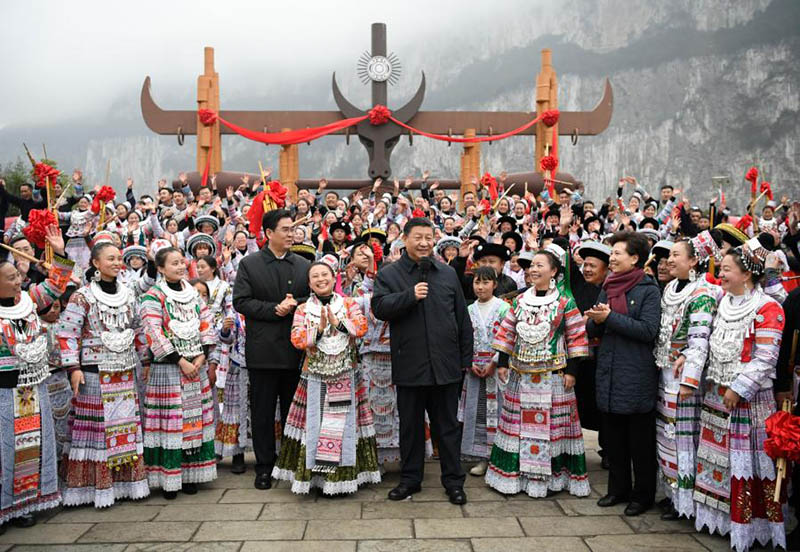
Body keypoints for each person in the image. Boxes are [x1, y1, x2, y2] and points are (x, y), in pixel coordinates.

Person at [372, 217, 472, 505]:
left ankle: (454, 482)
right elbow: (380, 308)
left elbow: (462, 319)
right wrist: (409, 296)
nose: (425, 242)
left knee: (448, 428)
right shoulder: (390, 274)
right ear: (405, 239)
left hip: (446, 365)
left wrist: (464, 359)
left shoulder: (447, 273)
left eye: (429, 237)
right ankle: (410, 480)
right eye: (419, 237)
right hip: (410, 364)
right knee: (411, 428)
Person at [693, 245, 786, 551]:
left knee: (747, 463)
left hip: (748, 401)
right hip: (717, 397)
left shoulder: (768, 308)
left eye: (726, 270)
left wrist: (739, 387)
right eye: (720, 269)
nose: (720, 274)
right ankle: (720, 521)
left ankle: (751, 526)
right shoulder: (723, 301)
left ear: (747, 274)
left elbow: (766, 358)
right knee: (718, 460)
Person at [486, 250, 590, 498]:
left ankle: (551, 480)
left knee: (551, 428)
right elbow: (507, 332)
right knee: (519, 426)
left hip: (553, 375)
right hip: (521, 375)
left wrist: (572, 371)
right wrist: (502, 362)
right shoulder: (520, 301)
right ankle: (518, 477)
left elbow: (576, 337)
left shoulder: (565, 302)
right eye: (531, 265)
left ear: (553, 271)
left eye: (539, 265)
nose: (533, 269)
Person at [273, 256, 380, 495]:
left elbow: (361, 328)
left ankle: (342, 479)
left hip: (345, 372)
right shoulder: (302, 309)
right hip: (315, 375)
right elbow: (297, 339)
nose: (321, 280)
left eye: (325, 275)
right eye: (315, 277)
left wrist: (338, 322)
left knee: (343, 425)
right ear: (309, 284)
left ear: (334, 278)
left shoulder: (349, 303)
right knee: (316, 424)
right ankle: (315, 479)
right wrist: (320, 329)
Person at [57, 242, 150, 507]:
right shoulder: (82, 296)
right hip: (94, 372)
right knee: (98, 430)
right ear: (96, 263)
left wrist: (145, 359)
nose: (117, 262)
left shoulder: (129, 293)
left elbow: (139, 327)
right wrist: (73, 368)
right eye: (110, 258)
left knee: (125, 427)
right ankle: (94, 487)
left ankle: (126, 485)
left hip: (125, 369)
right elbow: (67, 333)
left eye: (119, 258)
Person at [0, 226, 73, 531]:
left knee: (28, 448)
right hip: (4, 390)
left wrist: (59, 252)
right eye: (11, 277)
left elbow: (57, 283)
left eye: (17, 276)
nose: (18, 280)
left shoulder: (30, 299)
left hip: (33, 385)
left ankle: (22, 504)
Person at [232, 209, 310, 490]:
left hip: (295, 350)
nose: (292, 234)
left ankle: (291, 463)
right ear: (268, 233)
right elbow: (241, 301)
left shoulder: (303, 264)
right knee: (263, 412)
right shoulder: (250, 265)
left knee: (294, 411)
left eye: (293, 229)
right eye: (286, 230)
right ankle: (264, 465)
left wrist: (296, 303)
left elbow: (312, 297)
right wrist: (274, 309)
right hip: (262, 350)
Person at [586, 230, 661, 517]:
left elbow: (647, 330)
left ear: (635, 258)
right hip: (609, 370)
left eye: (618, 253)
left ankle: (642, 495)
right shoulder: (608, 285)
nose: (612, 258)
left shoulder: (648, 290)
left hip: (636, 372)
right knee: (614, 438)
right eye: (612, 252)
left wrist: (610, 318)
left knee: (639, 442)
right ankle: (617, 489)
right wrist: (595, 321)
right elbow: (598, 328)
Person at [652, 237, 721, 521]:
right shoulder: (670, 287)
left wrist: (689, 380)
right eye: (668, 255)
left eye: (676, 255)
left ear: (694, 261)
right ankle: (671, 494)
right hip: (664, 370)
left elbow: (700, 341)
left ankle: (687, 502)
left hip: (684, 379)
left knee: (683, 437)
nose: (668, 260)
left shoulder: (703, 293)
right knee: (664, 436)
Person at [140, 247, 217, 499]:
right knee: (171, 422)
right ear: (160, 268)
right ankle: (168, 477)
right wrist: (179, 360)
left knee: (193, 419)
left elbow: (206, 324)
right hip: (169, 369)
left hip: (196, 366)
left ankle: (190, 474)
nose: (181, 266)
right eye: (174, 263)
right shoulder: (153, 296)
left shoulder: (194, 294)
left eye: (182, 262)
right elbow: (153, 331)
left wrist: (202, 356)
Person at [458, 267, 510, 476]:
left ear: (494, 284)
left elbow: (508, 338)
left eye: (485, 282)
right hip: (474, 368)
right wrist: (468, 361)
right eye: (477, 282)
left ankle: (500, 456)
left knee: (498, 413)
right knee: (478, 414)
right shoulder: (469, 310)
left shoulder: (503, 308)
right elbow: (462, 338)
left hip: (496, 369)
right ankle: (481, 457)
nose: (480, 287)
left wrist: (495, 362)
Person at [572, 241, 611, 468]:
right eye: (585, 264)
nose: (587, 269)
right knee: (577, 402)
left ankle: (607, 450)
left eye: (593, 266)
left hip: (602, 356)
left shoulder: (611, 290)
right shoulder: (579, 286)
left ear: (605, 269)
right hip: (579, 358)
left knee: (603, 405)